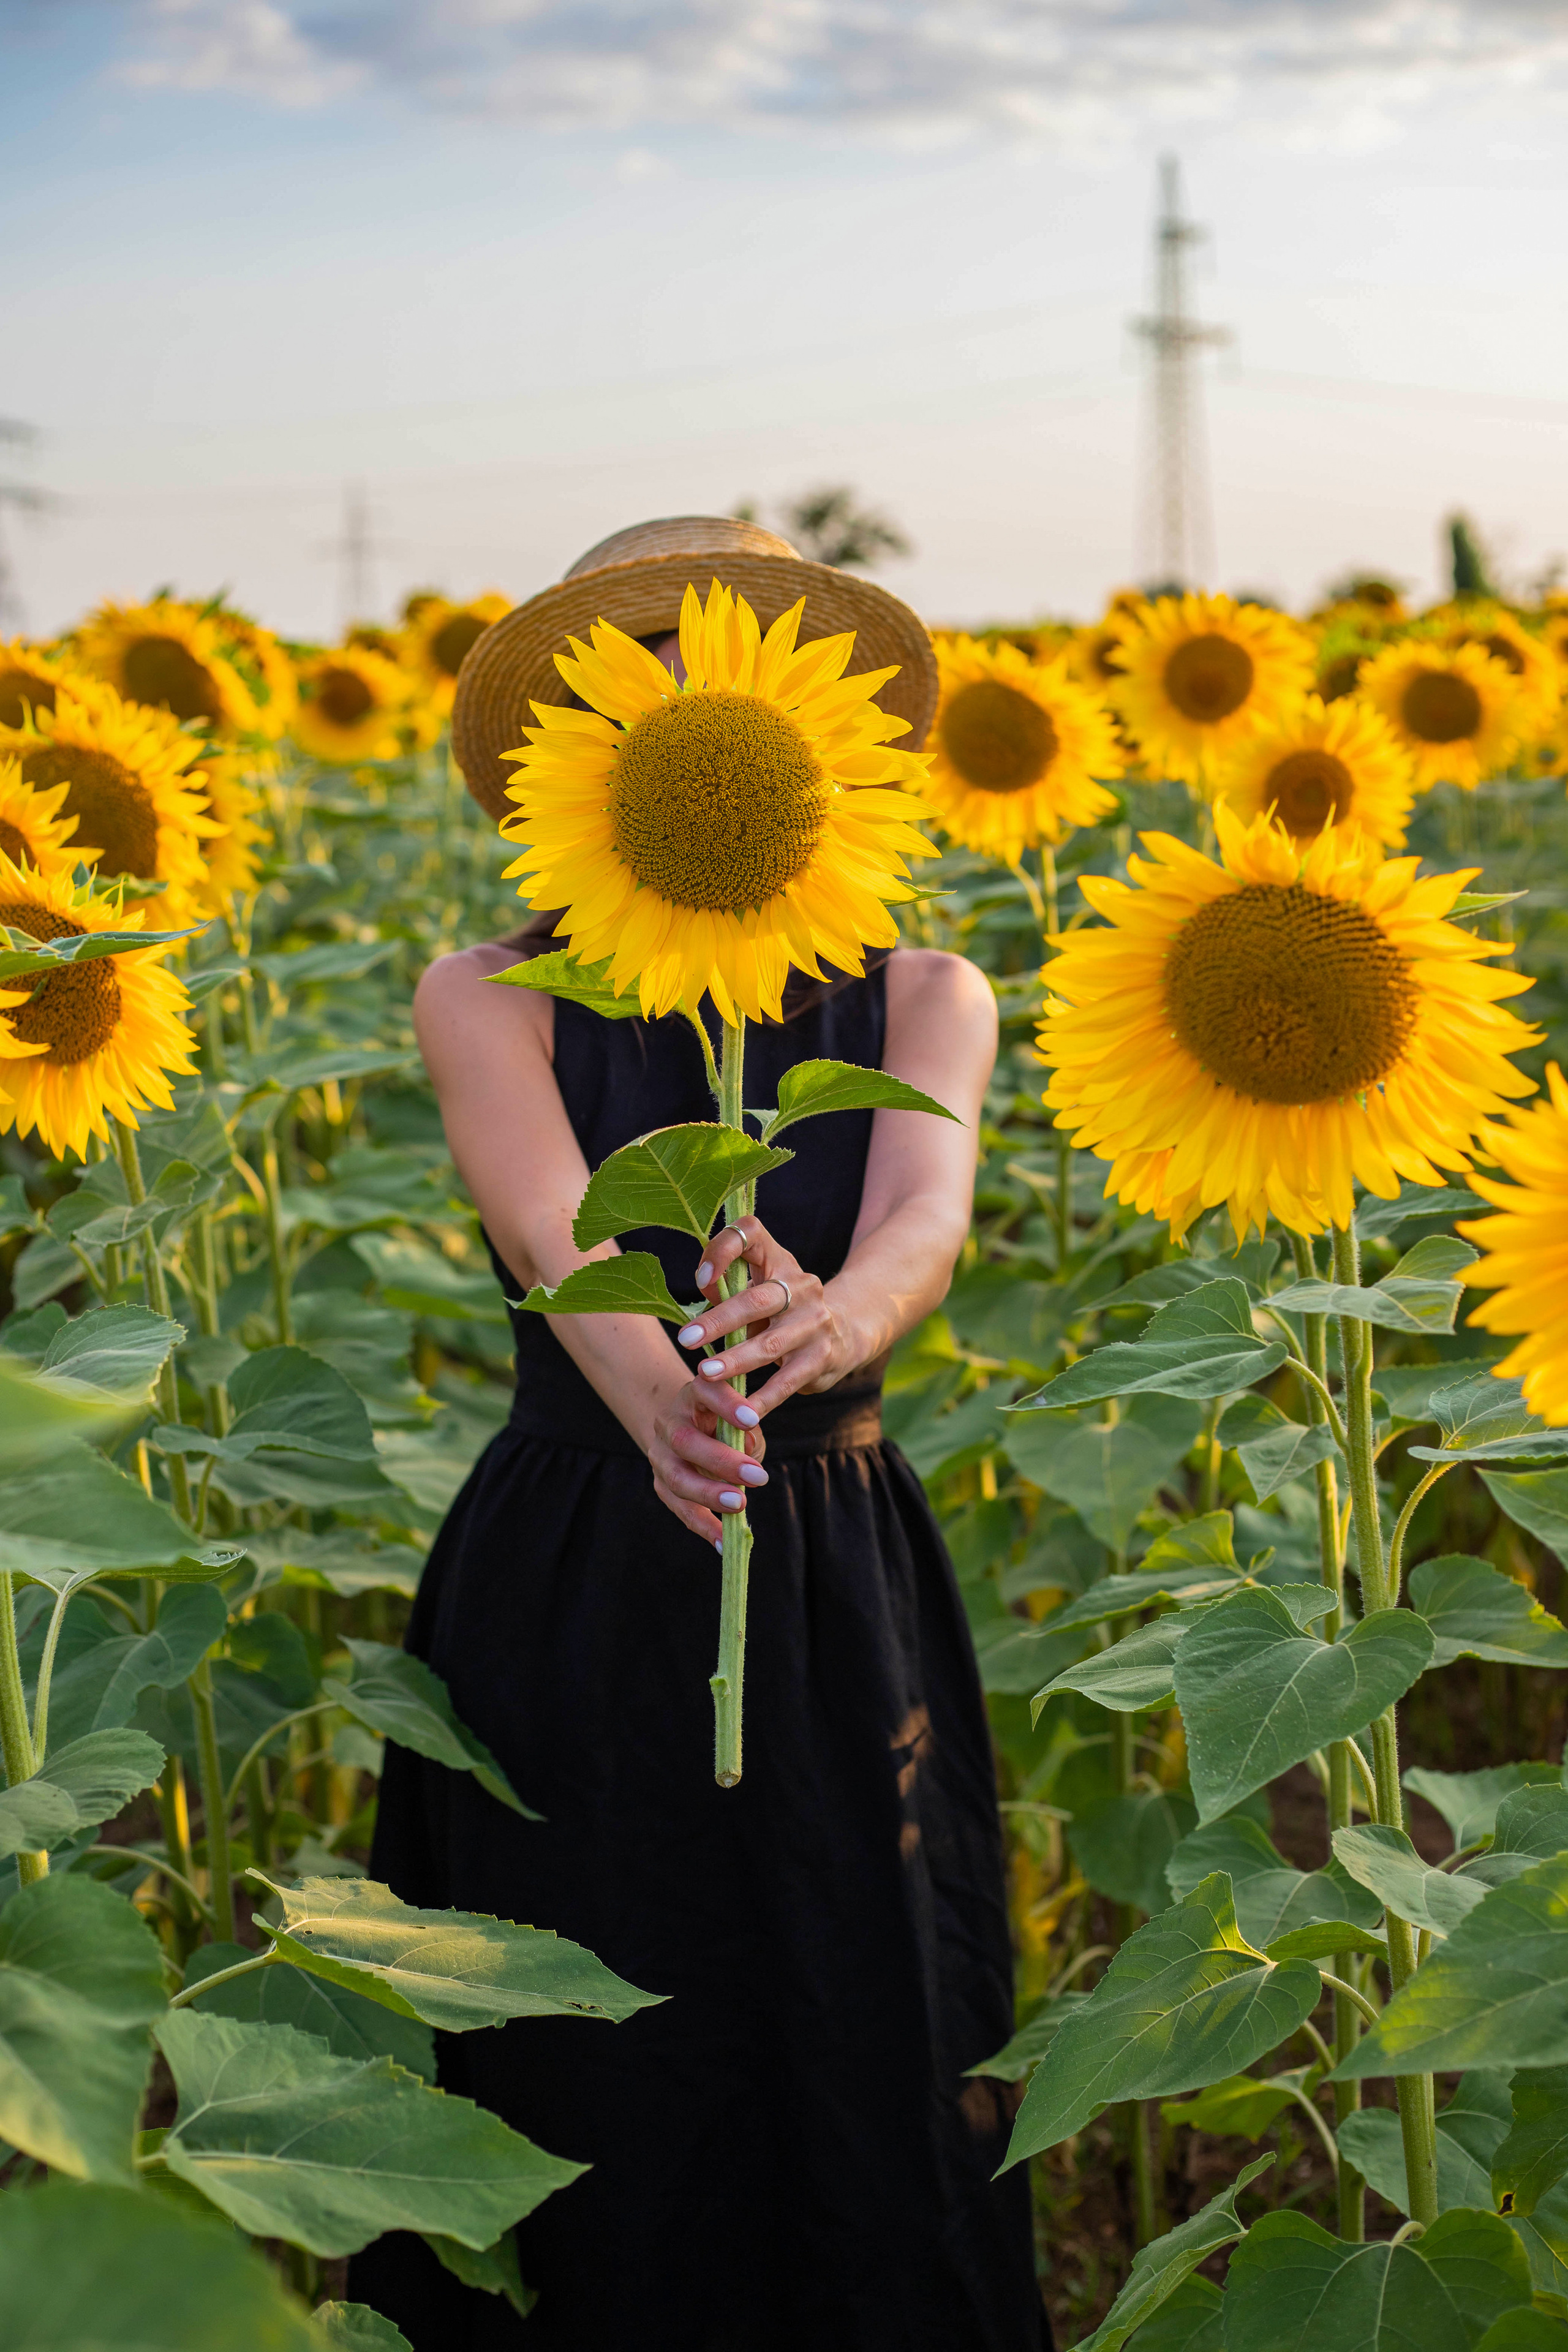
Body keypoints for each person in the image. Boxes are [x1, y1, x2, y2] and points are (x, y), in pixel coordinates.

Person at [349, 518, 1047, 2350]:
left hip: (825, 1554)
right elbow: (554, 1226)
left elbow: (923, 1222)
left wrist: (827, 1323)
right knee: (581, 2020)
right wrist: (669, 1397)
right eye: (638, 678)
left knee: (857, 1992)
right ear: (583, 746)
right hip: (580, 1557)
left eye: (717, 675)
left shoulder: (926, 995)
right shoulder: (487, 992)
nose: (681, 710)